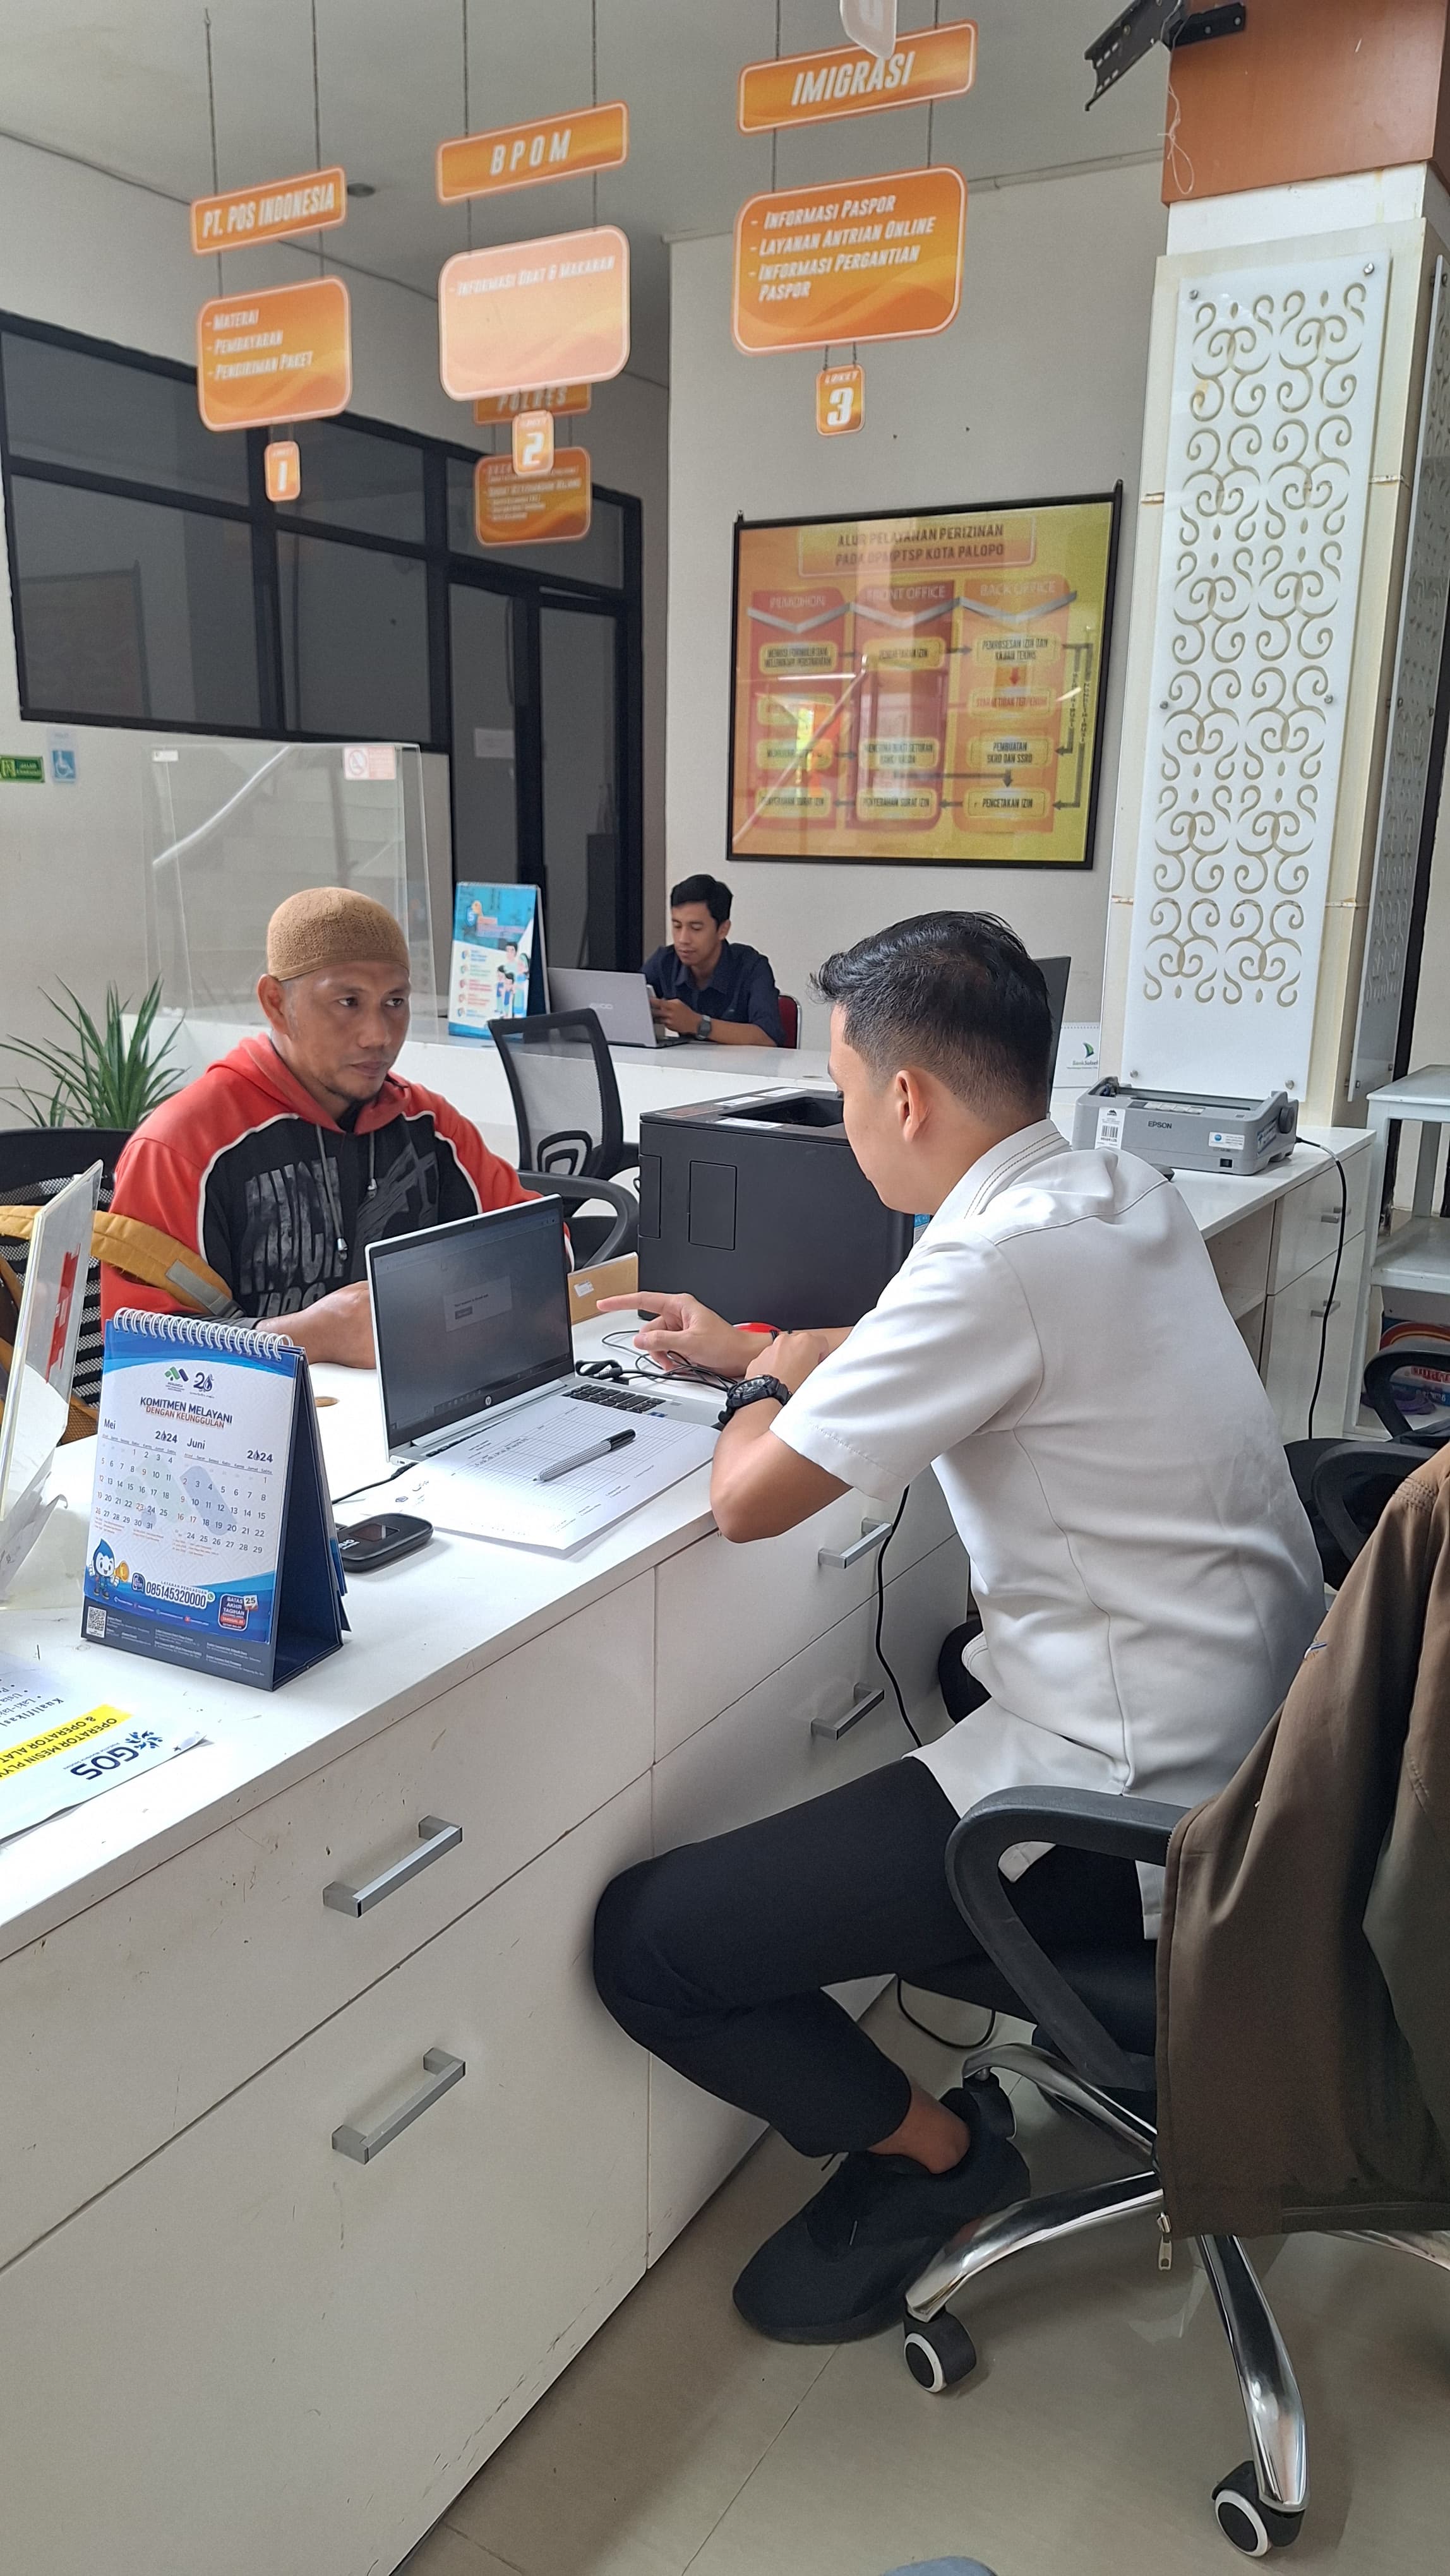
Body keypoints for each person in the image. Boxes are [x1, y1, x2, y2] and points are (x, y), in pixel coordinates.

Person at [594, 911, 1322, 2347]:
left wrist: (758, 1387)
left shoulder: (984, 1270)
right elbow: (963, 1332)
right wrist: (790, 1349)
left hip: (1136, 1815)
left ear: (908, 1096)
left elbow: (747, 1502)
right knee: (941, 1658)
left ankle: (935, 2156)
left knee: (651, 1943)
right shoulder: (1115, 1188)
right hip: (1269, 1747)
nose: (848, 1121)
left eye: (845, 1089)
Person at [101, 886, 528, 1366]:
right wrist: (308, 1337)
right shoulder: (182, 1145)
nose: (379, 1036)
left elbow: (542, 1250)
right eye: (348, 1002)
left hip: (415, 1400)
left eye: (394, 1002)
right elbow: (136, 1356)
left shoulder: (427, 1124)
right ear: (276, 1004)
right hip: (246, 1414)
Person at [643, 874, 784, 1046]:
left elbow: (768, 1038)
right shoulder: (665, 961)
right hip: (684, 1062)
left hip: (741, 1063)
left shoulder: (752, 967)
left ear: (723, 930)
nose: (683, 939)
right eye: (677, 926)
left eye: (696, 928)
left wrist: (698, 1024)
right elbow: (625, 1003)